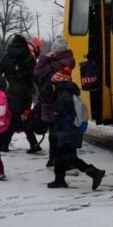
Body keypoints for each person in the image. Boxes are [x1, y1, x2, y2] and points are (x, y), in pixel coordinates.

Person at [46, 79, 104, 190]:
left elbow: (56, 110)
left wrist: (53, 100)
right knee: (61, 157)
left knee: (68, 157)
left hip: (66, 131)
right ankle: (59, 180)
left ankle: (95, 173)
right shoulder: (71, 95)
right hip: (71, 131)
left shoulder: (64, 97)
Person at [0, 34, 40, 153]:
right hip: (26, 93)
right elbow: (36, 76)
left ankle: (5, 144)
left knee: (11, 117)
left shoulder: (7, 57)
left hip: (10, 93)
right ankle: (33, 143)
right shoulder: (29, 57)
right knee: (25, 117)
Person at [34, 36, 75, 164]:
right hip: (57, 99)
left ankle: (57, 159)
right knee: (57, 131)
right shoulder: (63, 60)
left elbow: (37, 72)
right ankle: (55, 158)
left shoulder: (57, 63)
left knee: (56, 132)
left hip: (55, 100)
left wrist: (45, 58)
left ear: (57, 50)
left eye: (53, 49)